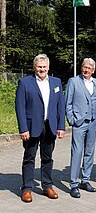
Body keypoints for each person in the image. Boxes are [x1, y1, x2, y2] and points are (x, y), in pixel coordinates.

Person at [15, 54, 65, 203]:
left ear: (48, 67)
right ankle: (27, 188)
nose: (42, 69)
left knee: (47, 158)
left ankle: (47, 186)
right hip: (31, 127)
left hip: (50, 126)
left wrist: (61, 125)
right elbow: (20, 107)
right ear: (34, 67)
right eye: (39, 66)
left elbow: (60, 106)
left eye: (44, 67)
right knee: (29, 158)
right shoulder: (25, 83)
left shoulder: (56, 82)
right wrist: (23, 128)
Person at [65, 58, 96, 198]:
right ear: (81, 68)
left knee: (90, 152)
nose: (86, 70)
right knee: (77, 152)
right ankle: (74, 184)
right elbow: (67, 102)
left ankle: (85, 180)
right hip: (79, 123)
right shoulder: (73, 81)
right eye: (84, 67)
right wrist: (72, 119)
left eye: (89, 68)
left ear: (93, 70)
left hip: (93, 122)